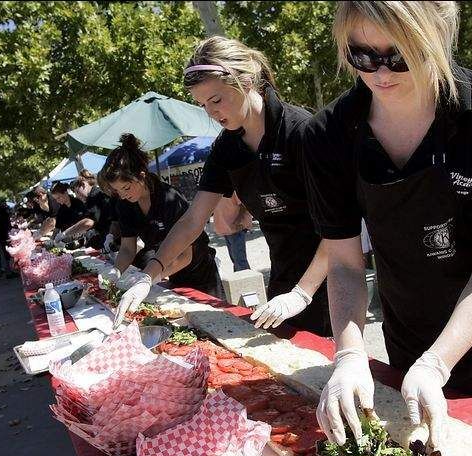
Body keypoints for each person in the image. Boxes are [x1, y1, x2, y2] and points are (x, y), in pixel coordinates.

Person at [303, 1, 472, 449]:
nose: (380, 73)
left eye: (400, 55)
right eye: (362, 55)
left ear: (437, 36)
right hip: (409, 325)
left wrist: (437, 363)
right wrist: (350, 355)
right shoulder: (328, 134)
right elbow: (346, 265)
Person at [113, 36, 331, 335]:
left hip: (331, 272)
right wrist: (149, 275)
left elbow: (340, 228)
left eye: (215, 100)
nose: (211, 113)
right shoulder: (226, 147)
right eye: (202, 105)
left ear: (246, 80)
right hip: (283, 274)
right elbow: (192, 220)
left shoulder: (301, 131)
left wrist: (302, 292)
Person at [101, 133, 220, 300]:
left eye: (126, 188)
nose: (122, 196)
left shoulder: (169, 198)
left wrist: (149, 278)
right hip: (168, 269)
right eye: (117, 191)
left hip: (200, 273)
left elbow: (185, 256)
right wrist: (116, 272)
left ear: (141, 176)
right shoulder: (125, 204)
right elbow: (128, 248)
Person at [57, 171, 121, 252]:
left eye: (77, 191)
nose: (77, 196)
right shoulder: (90, 198)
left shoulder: (94, 196)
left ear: (83, 184)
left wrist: (65, 233)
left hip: (116, 237)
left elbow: (88, 222)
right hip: (109, 236)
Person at [212, 193, 252, 271]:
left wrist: (238, 221)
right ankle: (240, 280)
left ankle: (245, 281)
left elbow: (244, 205)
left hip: (236, 229)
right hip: (226, 228)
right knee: (235, 260)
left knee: (239, 261)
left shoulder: (233, 189)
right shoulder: (215, 189)